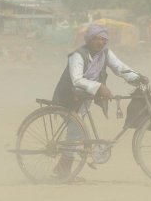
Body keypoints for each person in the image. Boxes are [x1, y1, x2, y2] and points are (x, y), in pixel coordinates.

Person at [50, 24, 142, 179]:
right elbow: (77, 79)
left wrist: (137, 77)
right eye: (97, 39)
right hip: (69, 97)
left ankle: (62, 168)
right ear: (89, 40)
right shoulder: (78, 55)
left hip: (85, 97)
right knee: (75, 130)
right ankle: (63, 171)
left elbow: (120, 67)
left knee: (77, 130)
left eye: (104, 39)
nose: (101, 43)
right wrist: (100, 87)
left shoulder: (105, 53)